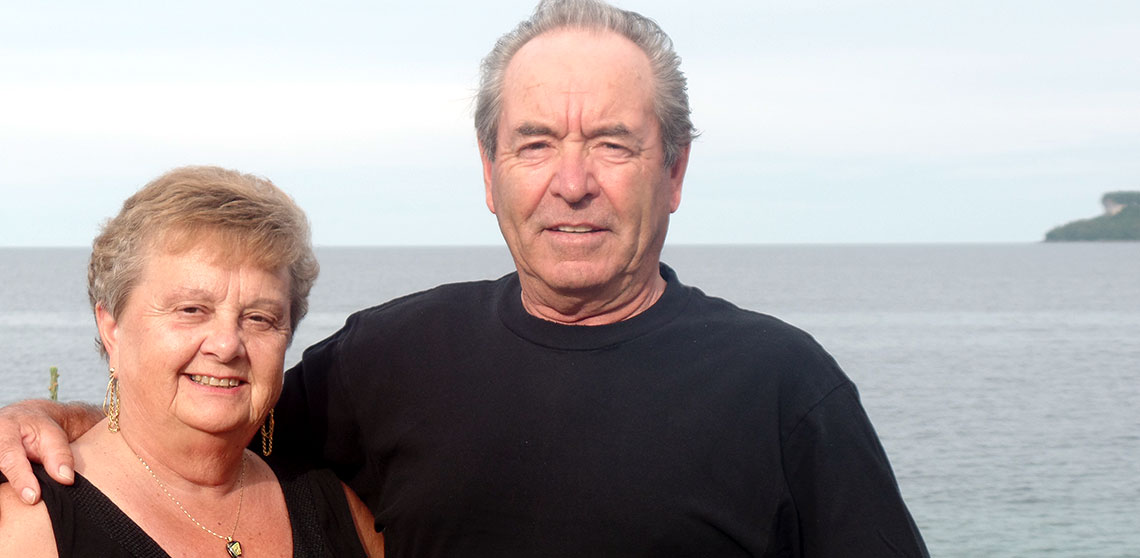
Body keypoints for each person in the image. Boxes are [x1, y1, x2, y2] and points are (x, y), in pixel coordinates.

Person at [1, 1, 929, 556]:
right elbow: (209, 417)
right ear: (489, 174)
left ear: (674, 171)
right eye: (536, 143)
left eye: (613, 142)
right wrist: (58, 421)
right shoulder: (391, 356)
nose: (573, 181)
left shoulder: (783, 386)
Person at [0, 167, 383, 556]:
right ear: (112, 328)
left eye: (259, 318)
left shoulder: (338, 512)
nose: (226, 344)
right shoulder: (28, 523)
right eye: (191, 309)